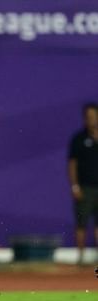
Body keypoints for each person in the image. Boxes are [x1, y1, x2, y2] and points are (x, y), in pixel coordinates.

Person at [68, 103, 98, 265]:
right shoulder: (79, 139)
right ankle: (81, 258)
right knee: (82, 223)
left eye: (93, 116)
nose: (90, 120)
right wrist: (75, 186)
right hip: (85, 188)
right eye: (88, 117)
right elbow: (72, 164)